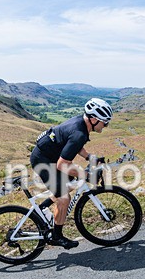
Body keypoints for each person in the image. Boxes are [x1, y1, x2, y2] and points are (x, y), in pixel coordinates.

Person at [29, 98, 113, 249]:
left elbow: (74, 145)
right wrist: (87, 175)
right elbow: (62, 164)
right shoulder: (79, 133)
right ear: (94, 119)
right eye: (105, 122)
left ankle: (44, 207)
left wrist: (89, 158)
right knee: (64, 198)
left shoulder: (81, 124)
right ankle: (57, 236)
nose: (106, 126)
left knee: (71, 182)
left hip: (50, 157)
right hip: (43, 160)